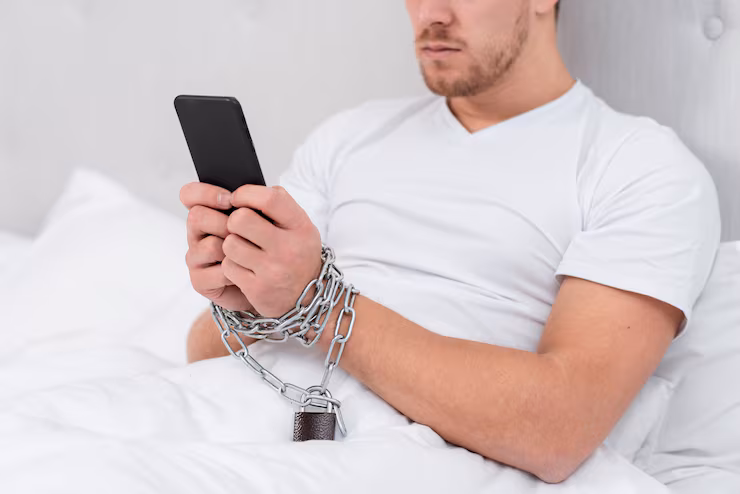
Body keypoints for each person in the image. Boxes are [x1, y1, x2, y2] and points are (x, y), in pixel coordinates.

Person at [179, 0, 721, 484]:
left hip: (406, 456)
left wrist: (316, 303)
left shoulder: (639, 165)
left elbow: (559, 427)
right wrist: (251, 301)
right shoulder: (347, 137)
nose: (430, 14)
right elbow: (200, 351)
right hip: (219, 416)